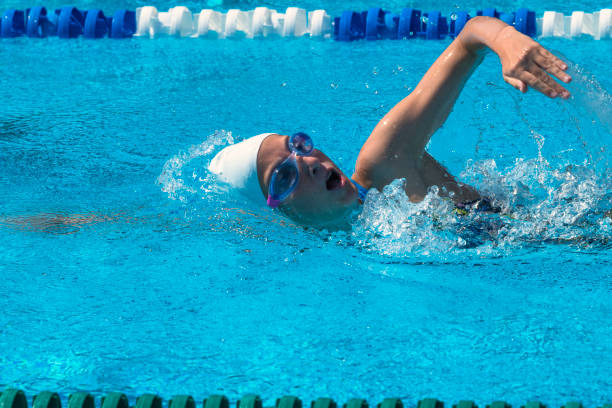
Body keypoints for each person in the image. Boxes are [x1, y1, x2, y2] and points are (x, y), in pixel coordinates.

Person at [209, 16, 572, 229]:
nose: (310, 166)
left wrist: (505, 40)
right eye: (284, 177)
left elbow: (470, 37)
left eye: (298, 147)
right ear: (279, 214)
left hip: (557, 227)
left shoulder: (383, 163)